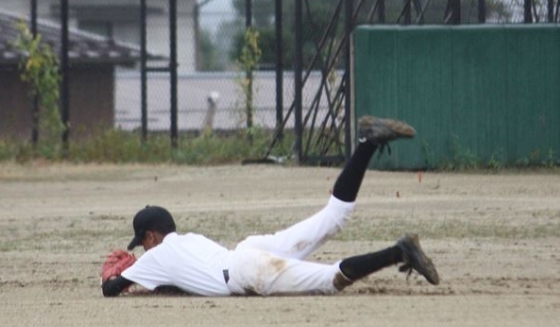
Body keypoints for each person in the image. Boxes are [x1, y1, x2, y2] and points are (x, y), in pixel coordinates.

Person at [101, 115, 439, 297]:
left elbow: (111, 291)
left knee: (328, 279)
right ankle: (366, 142)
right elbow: (178, 282)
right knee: (333, 217)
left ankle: (399, 252)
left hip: (247, 272)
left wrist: (113, 276)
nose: (142, 249)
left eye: (142, 242)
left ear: (151, 236)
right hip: (248, 251)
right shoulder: (189, 241)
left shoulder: (156, 257)